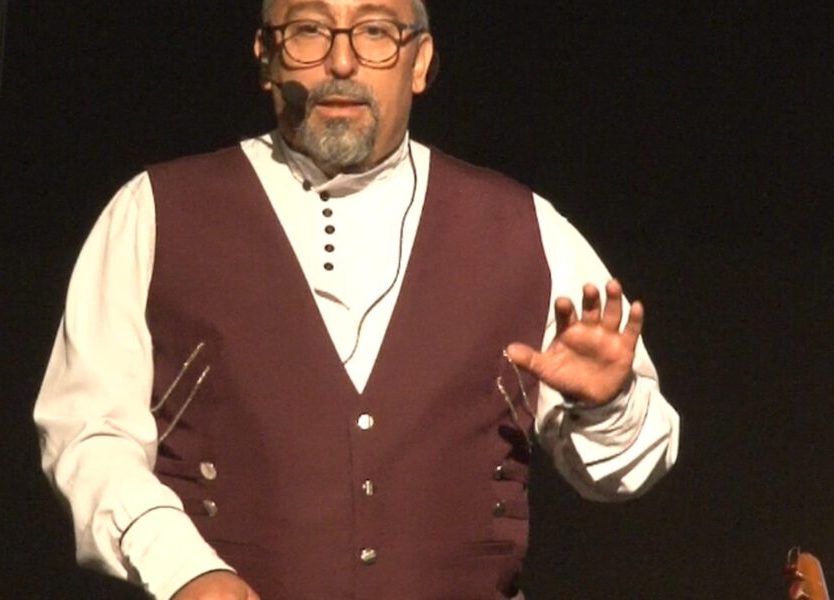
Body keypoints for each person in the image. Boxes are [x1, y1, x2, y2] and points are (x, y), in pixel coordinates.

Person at [33, 1, 680, 598]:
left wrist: (608, 407)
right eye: (309, 31)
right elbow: (88, 432)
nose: (341, 62)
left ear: (419, 62)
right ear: (266, 56)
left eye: (375, 32)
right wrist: (181, 565)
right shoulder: (157, 212)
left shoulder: (523, 229)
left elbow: (625, 469)